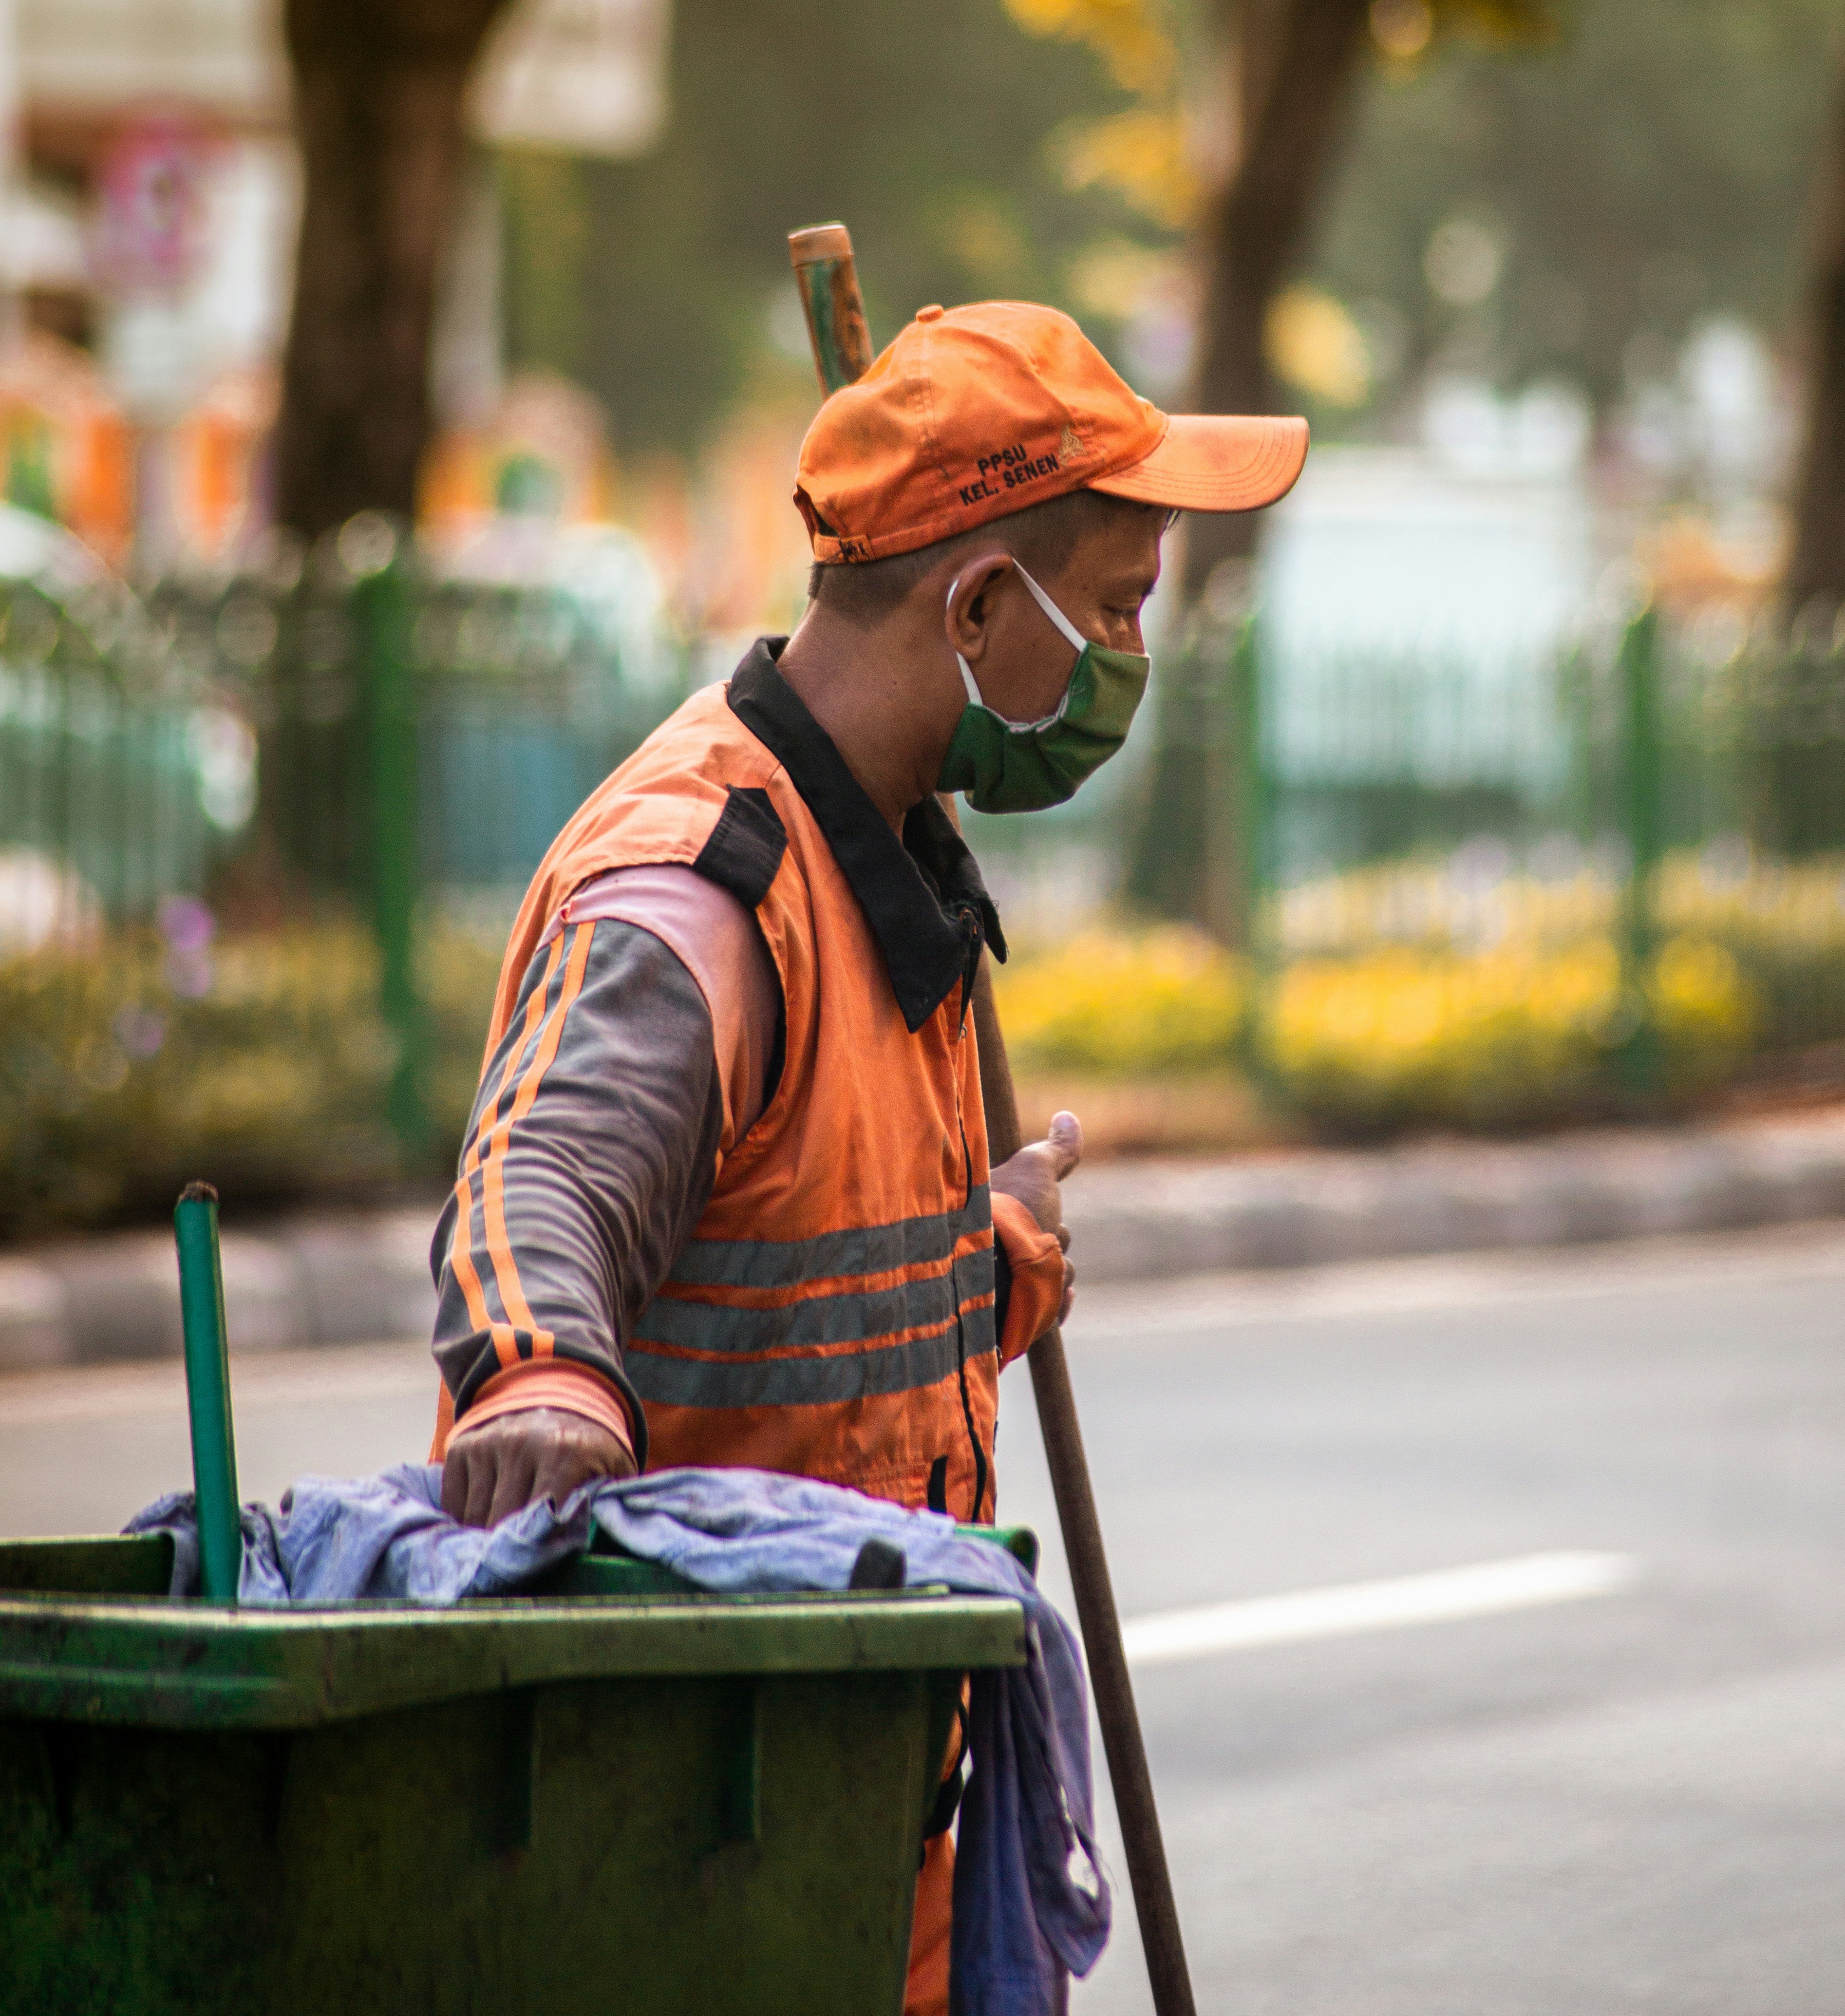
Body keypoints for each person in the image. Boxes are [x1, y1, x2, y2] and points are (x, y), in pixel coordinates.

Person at [426, 298, 1307, 2012]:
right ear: (979, 608)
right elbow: (550, 1164)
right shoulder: (707, 876)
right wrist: (538, 1372)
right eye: (1119, 611)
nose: (1132, 660)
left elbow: (798, 1277)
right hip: (676, 1839)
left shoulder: (889, 861)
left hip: (851, 1815)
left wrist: (989, 1252)